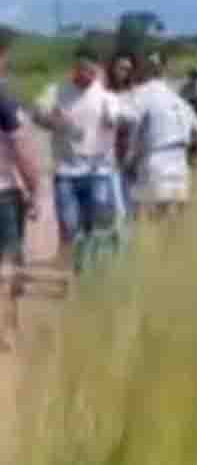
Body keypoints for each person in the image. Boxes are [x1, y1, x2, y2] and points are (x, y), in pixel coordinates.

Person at [33, 45, 134, 273]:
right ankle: (67, 268)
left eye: (91, 71)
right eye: (82, 70)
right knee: (68, 224)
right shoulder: (57, 91)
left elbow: (126, 116)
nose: (86, 75)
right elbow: (37, 113)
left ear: (97, 70)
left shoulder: (105, 96)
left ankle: (86, 269)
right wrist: (52, 120)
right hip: (66, 171)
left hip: (98, 171)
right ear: (74, 68)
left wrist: (116, 119)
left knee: (94, 225)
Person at [125, 51, 197, 221]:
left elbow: (131, 124)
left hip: (155, 159)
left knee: (151, 217)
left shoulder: (142, 94)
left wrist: (129, 159)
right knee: (175, 220)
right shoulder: (178, 99)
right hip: (180, 162)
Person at [0, 29, 43, 350]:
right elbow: (22, 150)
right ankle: (7, 329)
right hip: (4, 193)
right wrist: (35, 189)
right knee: (9, 263)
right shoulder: (5, 102)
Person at [105, 52, 137, 218]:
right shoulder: (103, 93)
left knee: (131, 208)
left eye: (128, 69)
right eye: (121, 68)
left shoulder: (134, 94)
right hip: (108, 159)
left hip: (130, 159)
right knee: (117, 210)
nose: (125, 72)